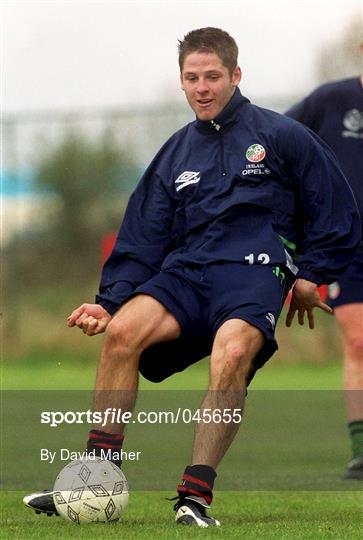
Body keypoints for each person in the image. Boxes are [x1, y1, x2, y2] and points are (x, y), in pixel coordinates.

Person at [23, 28, 361, 526]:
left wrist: (312, 274)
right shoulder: (175, 153)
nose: (202, 87)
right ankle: (97, 484)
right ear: (181, 82)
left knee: (231, 355)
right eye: (191, 78)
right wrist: (110, 301)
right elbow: (142, 236)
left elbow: (334, 205)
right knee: (122, 334)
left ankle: (194, 496)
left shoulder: (281, 135)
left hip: (253, 276)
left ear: (235, 76)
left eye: (212, 76)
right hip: (188, 273)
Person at [286, 66, 363, 480]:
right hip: (348, 244)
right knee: (359, 339)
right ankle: (361, 450)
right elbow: (279, 137)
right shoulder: (329, 101)